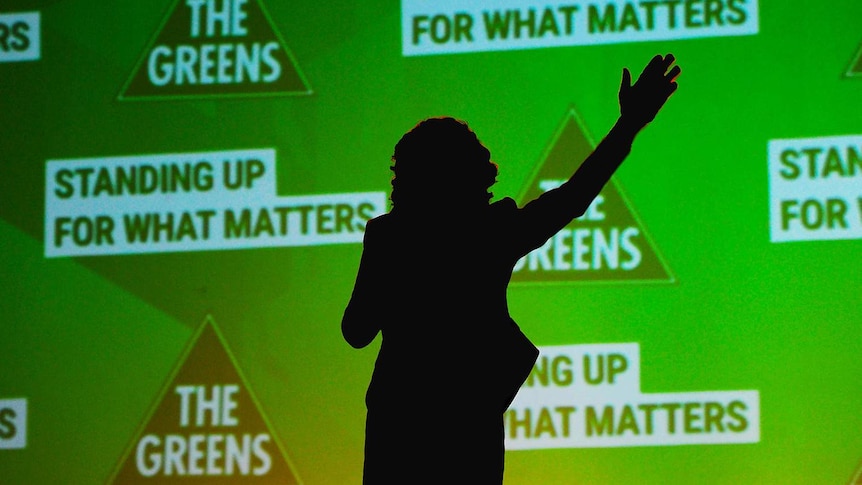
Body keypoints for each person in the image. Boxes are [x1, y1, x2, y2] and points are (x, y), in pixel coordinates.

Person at [342, 54, 681, 484]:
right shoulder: (489, 232)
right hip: (465, 419)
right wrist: (629, 124)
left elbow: (357, 331)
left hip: (401, 420)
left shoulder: (389, 235)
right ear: (472, 173)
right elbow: (572, 198)